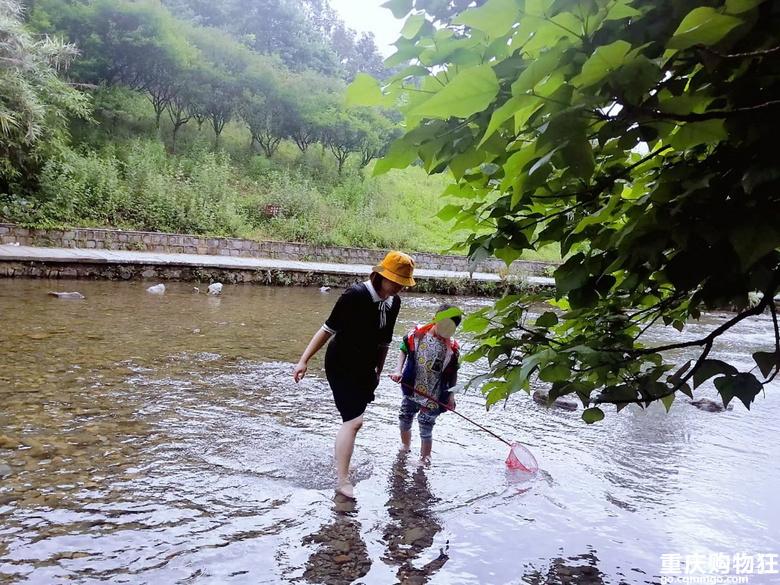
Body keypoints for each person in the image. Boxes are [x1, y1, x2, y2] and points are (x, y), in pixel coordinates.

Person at [293, 251, 416, 499]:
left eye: (402, 284)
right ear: (380, 275)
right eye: (395, 281)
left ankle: (339, 461)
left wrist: (379, 370)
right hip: (341, 362)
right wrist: (303, 360)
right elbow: (327, 329)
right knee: (354, 421)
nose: (398, 288)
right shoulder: (355, 295)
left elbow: (384, 341)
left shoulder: (394, 303)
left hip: (365, 367)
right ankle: (342, 480)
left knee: (352, 423)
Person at [390, 304, 461, 462]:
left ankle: (425, 457)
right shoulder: (417, 335)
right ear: (435, 319)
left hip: (434, 393)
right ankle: (405, 445)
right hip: (413, 388)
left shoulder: (452, 349)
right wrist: (398, 370)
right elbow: (404, 349)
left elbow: (453, 373)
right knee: (405, 416)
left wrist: (451, 396)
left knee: (426, 424)